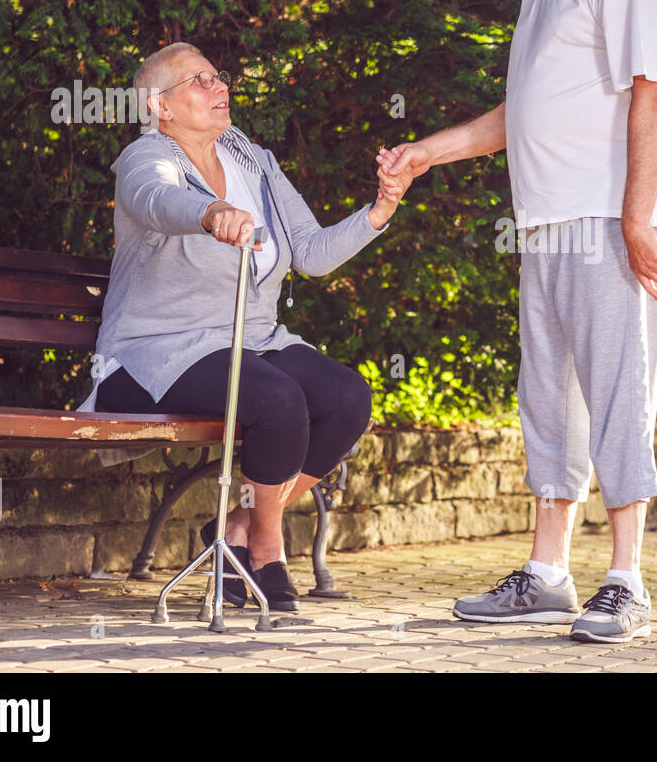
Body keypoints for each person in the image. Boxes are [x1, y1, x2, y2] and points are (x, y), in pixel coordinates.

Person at [378, 0, 657, 643]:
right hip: (543, 221)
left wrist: (634, 219)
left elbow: (653, 92)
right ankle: (549, 574)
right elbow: (527, 113)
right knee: (548, 399)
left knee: (620, 392)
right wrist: (427, 153)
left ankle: (626, 581)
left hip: (607, 219)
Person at [79, 41, 411, 612]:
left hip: (251, 338)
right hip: (157, 351)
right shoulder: (147, 156)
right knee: (278, 399)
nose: (219, 87)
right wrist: (208, 213)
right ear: (160, 106)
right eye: (199, 81)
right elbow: (156, 200)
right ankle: (266, 544)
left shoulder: (254, 160)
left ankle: (236, 527)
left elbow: (310, 252)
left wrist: (379, 210)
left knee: (345, 397)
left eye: (218, 76)